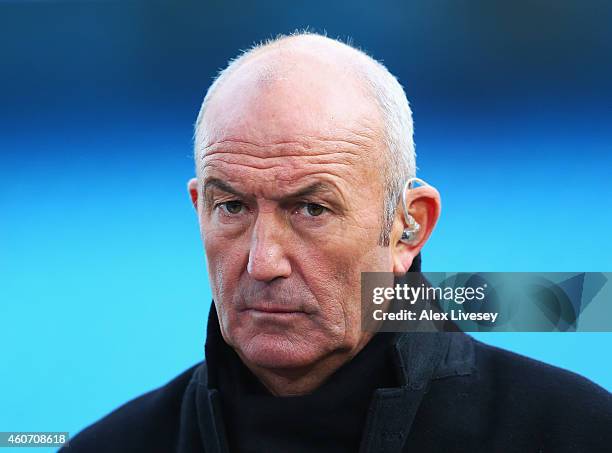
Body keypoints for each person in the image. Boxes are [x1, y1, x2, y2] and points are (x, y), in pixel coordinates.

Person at [63, 32, 612, 452]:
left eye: (311, 209)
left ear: (409, 227)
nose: (263, 262)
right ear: (198, 209)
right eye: (231, 206)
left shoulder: (575, 433)